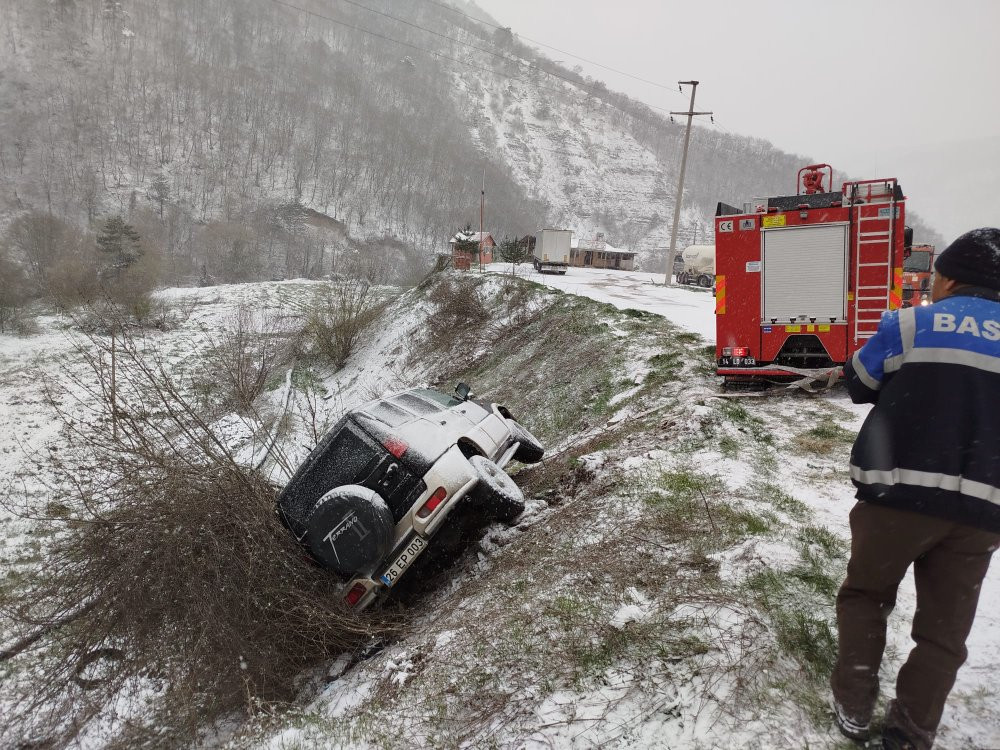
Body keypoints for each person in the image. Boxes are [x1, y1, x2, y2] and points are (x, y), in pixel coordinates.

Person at [830, 228, 1000, 750]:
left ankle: (855, 705)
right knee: (944, 631)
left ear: (946, 278)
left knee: (866, 596)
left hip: (896, 498)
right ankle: (911, 729)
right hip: (980, 514)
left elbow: (859, 383)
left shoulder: (910, 323)